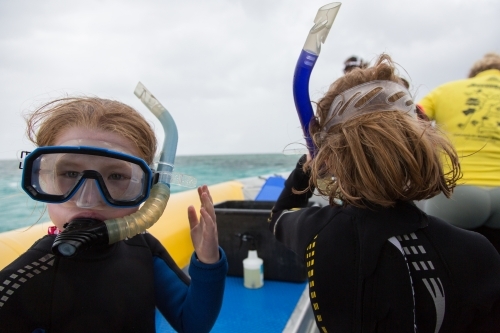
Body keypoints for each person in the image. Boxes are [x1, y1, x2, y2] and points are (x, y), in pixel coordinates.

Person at [269, 54, 500, 332]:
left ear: (327, 159)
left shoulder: (315, 231)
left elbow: (279, 216)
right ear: (417, 139)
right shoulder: (478, 254)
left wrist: (304, 168)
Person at [0, 97, 228, 333]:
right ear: (42, 177)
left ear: (149, 189)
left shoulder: (144, 249)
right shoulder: (20, 280)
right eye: (69, 172)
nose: (88, 199)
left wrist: (208, 262)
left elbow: (193, 325)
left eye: (116, 177)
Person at [418, 52, 500, 252]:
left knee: (448, 269)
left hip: (454, 192)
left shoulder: (446, 90)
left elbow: (412, 122)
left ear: (473, 74)